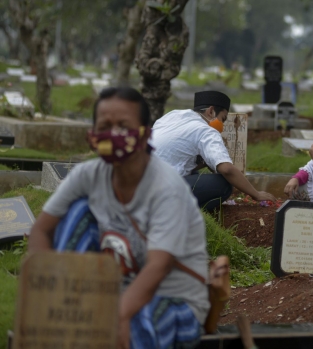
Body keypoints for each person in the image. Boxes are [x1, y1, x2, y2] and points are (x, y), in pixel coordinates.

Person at [28, 87, 209, 348]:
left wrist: (120, 314)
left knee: (132, 329)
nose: (113, 134)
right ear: (93, 134)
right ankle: (73, 296)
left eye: (123, 125)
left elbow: (158, 267)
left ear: (145, 133)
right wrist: (47, 291)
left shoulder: (167, 188)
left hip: (172, 298)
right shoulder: (88, 175)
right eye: (105, 126)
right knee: (78, 210)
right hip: (113, 292)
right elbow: (41, 230)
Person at [152, 90, 276, 210]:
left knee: (194, 174)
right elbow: (226, 169)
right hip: (160, 189)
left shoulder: (173, 116)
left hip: (141, 180)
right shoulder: (206, 130)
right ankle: (186, 214)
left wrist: (206, 162)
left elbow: (177, 158)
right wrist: (256, 194)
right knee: (224, 185)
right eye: (223, 118)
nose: (221, 126)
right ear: (211, 111)